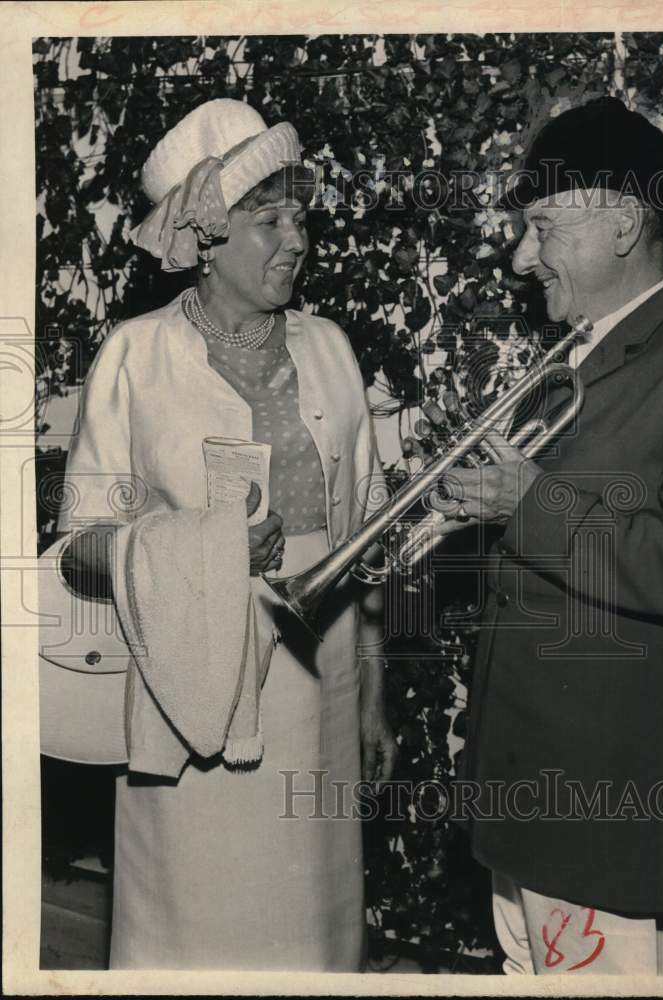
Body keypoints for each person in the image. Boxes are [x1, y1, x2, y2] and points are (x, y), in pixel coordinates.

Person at [438, 97, 663, 975]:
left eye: (543, 228)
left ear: (625, 223)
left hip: (609, 805)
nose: (523, 259)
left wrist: (528, 503)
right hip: (526, 784)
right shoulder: (575, 363)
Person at [55, 98, 396, 970]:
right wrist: (206, 548)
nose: (297, 240)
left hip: (320, 692)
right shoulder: (135, 357)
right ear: (206, 236)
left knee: (310, 932)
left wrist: (372, 694)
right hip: (188, 696)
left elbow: (366, 545)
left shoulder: (331, 350)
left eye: (301, 219)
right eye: (269, 221)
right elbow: (82, 546)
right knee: (195, 930)